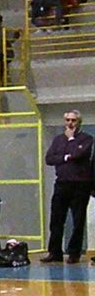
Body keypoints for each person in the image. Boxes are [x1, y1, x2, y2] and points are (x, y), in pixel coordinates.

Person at [42, 110, 93, 263]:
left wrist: (71, 140)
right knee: (56, 219)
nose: (70, 123)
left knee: (78, 220)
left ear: (79, 122)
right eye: (68, 120)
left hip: (80, 184)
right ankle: (55, 252)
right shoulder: (58, 139)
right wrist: (66, 157)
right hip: (62, 183)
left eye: (73, 120)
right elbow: (49, 159)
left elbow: (78, 154)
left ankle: (74, 253)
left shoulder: (87, 139)